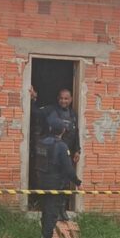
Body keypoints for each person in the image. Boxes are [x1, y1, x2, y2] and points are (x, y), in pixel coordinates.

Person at [30, 86, 80, 219]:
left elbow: (76, 133)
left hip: (66, 154)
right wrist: (33, 99)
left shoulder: (73, 115)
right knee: (52, 182)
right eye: (61, 98)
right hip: (52, 154)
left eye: (66, 99)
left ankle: (62, 210)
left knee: (65, 183)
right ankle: (49, 212)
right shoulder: (51, 110)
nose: (63, 101)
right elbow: (36, 113)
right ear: (58, 99)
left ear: (71, 99)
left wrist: (77, 150)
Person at [35, 119, 81, 238]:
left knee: (45, 211)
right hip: (54, 184)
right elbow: (68, 169)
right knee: (51, 213)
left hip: (41, 182)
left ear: (50, 129)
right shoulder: (61, 146)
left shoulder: (41, 143)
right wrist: (77, 182)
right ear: (63, 130)